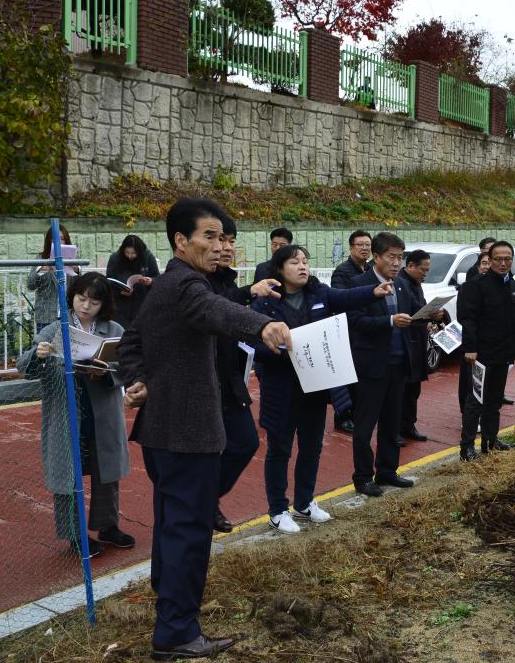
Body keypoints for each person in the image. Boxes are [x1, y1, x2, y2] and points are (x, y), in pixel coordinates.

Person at [118, 198, 292, 661]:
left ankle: (170, 607)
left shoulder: (167, 285)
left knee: (175, 527)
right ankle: (176, 632)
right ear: (181, 240)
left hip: (165, 431)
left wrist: (136, 379)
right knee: (189, 534)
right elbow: (215, 312)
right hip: (187, 435)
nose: (219, 247)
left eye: (223, 239)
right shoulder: (185, 284)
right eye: (209, 237)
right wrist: (264, 325)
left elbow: (133, 340)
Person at [251, 245, 391, 533]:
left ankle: (304, 502)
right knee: (279, 450)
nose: (302, 266)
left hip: (315, 387)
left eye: (305, 261)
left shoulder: (319, 293)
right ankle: (278, 510)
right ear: (279, 269)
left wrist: (373, 292)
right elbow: (253, 347)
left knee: (312, 448)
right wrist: (278, 348)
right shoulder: (264, 304)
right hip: (280, 389)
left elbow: (346, 297)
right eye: (294, 262)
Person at [16, 273, 134, 557]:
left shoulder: (113, 329)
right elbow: (24, 366)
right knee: (67, 475)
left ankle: (108, 526)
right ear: (72, 298)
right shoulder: (56, 329)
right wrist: (39, 355)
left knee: (107, 472)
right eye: (81, 299)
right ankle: (74, 535)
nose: (86, 306)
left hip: (102, 413)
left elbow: (127, 365)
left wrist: (104, 373)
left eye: (94, 301)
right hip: (65, 412)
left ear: (103, 304)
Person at [208, 216, 276, 533]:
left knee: (246, 442)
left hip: (230, 378)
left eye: (231, 241)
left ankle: (206, 499)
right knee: (205, 451)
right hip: (204, 382)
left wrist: (265, 339)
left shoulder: (226, 280)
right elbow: (213, 309)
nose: (226, 248)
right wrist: (250, 291)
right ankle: (203, 505)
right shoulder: (192, 280)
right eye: (219, 239)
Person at [346, 232, 425, 497]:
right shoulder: (359, 284)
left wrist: (431, 314)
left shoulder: (401, 284)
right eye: (391, 257)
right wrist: (390, 322)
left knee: (392, 422)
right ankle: (362, 477)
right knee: (365, 424)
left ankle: (387, 471)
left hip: (398, 363)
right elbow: (355, 321)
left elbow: (413, 314)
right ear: (376, 256)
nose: (396, 263)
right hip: (371, 365)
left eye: (400, 257)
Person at [457, 242, 515, 461]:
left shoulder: (512, 285)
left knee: (495, 401)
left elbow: (514, 319)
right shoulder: (476, 286)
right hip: (481, 355)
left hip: (502, 354)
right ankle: (467, 447)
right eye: (498, 259)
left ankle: (491, 440)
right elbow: (467, 319)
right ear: (490, 260)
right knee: (475, 401)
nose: (503, 263)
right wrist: (471, 348)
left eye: (507, 259)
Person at [398, 249, 447, 444]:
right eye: (423, 270)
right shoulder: (399, 283)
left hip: (418, 342)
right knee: (401, 391)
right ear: (410, 266)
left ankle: (409, 425)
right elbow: (405, 314)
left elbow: (421, 308)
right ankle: (396, 430)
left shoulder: (416, 284)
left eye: (427, 270)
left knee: (414, 389)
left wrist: (433, 314)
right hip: (404, 343)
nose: (425, 274)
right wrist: (427, 317)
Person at [327, 230, 373, 434]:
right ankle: (343, 416)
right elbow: (340, 300)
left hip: (366, 328)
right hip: (348, 331)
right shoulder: (342, 271)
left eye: (367, 245)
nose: (365, 248)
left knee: (362, 377)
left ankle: (357, 414)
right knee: (347, 376)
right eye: (360, 245)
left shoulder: (371, 269)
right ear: (351, 247)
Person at [457, 251, 493, 414]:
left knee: (490, 387)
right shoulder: (469, 287)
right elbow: (466, 319)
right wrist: (470, 347)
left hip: (494, 348)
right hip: (473, 347)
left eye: (490, 262)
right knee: (471, 385)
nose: (487, 266)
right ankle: (469, 419)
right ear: (478, 267)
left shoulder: (507, 285)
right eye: (484, 263)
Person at [28, 225, 80, 333]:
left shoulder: (72, 258)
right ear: (49, 240)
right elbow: (30, 285)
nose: (59, 242)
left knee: (68, 348)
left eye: (62, 239)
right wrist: (41, 271)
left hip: (69, 315)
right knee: (46, 347)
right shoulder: (41, 258)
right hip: (46, 316)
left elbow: (81, 287)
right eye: (55, 239)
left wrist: (77, 270)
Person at [105, 235, 160, 328]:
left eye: (133, 253)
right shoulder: (115, 258)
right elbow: (109, 281)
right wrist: (119, 291)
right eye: (127, 252)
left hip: (142, 305)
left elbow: (157, 277)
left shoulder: (148, 257)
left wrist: (151, 281)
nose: (130, 256)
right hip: (120, 307)